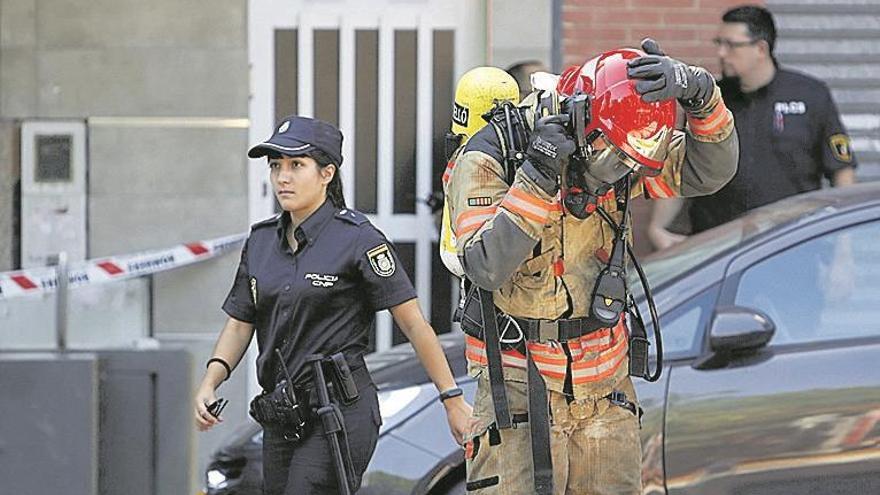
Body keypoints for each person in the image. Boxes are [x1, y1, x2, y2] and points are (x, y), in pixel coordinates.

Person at [447, 38, 738, 494]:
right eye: (614, 157)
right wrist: (538, 180)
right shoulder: (490, 155)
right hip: (520, 388)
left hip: (604, 387)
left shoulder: (622, 144)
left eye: (629, 161)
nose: (621, 171)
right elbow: (486, 267)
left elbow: (708, 172)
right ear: (583, 119)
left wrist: (702, 97)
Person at [193, 116, 471, 494]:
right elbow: (240, 322)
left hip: (339, 410)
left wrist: (451, 399)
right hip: (281, 412)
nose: (282, 178)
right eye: (276, 167)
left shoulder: (358, 239)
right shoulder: (259, 243)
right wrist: (211, 381)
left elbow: (414, 324)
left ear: (327, 173)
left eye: (296, 165)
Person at [648, 4, 857, 249]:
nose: (722, 53)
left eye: (731, 45)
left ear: (760, 48)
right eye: (719, 43)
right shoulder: (710, 101)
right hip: (719, 251)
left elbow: (841, 172)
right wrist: (657, 227)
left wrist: (845, 251)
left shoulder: (811, 95)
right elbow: (682, 166)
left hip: (794, 247)